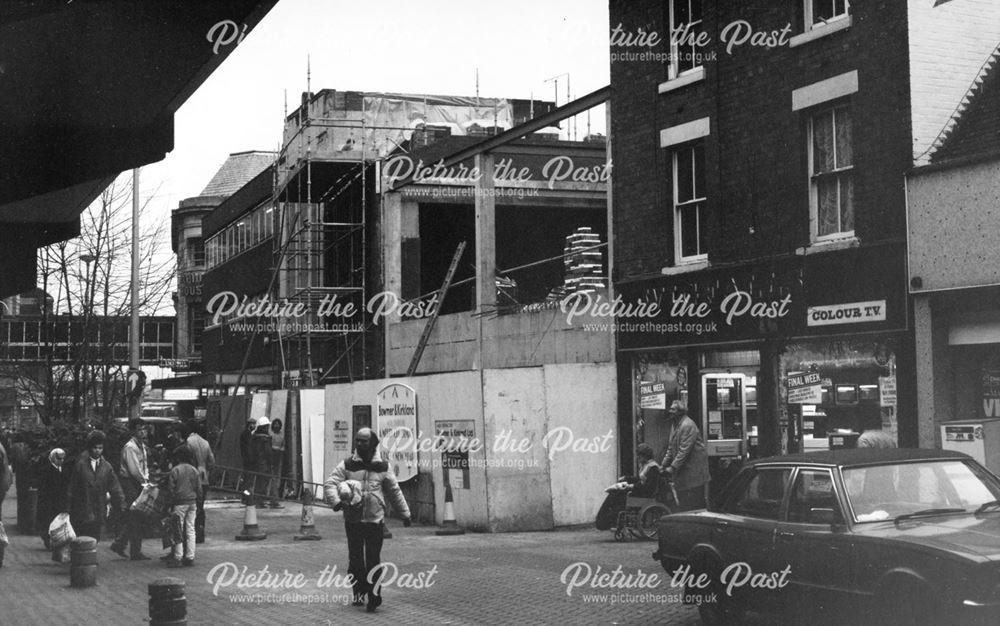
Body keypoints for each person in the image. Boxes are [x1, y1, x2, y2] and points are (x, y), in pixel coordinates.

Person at [323, 428, 411, 613]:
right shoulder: (347, 464)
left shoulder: (383, 467)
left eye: (364, 441)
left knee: (373, 560)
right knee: (355, 561)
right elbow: (330, 483)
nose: (360, 444)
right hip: (353, 521)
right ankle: (358, 592)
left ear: (373, 444)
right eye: (358, 440)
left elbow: (394, 492)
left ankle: (374, 596)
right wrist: (337, 502)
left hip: (375, 521)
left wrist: (405, 514)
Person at [66, 430, 125, 542]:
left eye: (100, 448)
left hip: (99, 508)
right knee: (81, 539)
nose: (97, 451)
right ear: (90, 448)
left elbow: (115, 487)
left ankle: (91, 558)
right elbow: (72, 487)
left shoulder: (107, 467)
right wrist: (68, 508)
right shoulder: (80, 465)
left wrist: (121, 504)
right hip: (82, 508)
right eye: (95, 448)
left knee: (94, 539)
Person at [110, 418, 151, 560]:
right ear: (133, 431)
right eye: (139, 429)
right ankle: (132, 549)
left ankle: (120, 543)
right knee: (135, 515)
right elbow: (134, 470)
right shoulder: (130, 447)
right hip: (130, 483)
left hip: (138, 483)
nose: (143, 432)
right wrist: (145, 482)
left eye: (144, 429)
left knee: (134, 516)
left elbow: (144, 466)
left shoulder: (142, 446)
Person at [660, 400, 710, 511]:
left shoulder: (687, 425)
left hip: (694, 471)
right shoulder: (675, 426)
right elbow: (670, 448)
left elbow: (684, 450)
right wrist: (663, 465)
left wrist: (672, 468)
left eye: (673, 409)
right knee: (684, 499)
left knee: (695, 500)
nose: (670, 411)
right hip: (685, 471)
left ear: (680, 412)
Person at [164, 444, 201, 568]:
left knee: (177, 530)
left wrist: (169, 503)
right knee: (190, 529)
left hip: (179, 503)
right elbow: (199, 488)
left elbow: (171, 489)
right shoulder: (194, 470)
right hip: (192, 502)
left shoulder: (175, 470)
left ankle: (177, 557)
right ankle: (190, 556)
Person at [185, 421, 215, 543]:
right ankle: (200, 533)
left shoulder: (188, 441)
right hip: (204, 478)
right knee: (200, 506)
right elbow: (212, 462)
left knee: (191, 507)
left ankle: (191, 533)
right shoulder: (206, 443)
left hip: (191, 477)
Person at [35, 448, 70, 549]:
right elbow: (43, 487)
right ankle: (48, 540)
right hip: (48, 501)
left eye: (63, 459)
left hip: (59, 500)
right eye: (59, 459)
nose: (61, 461)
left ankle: (56, 540)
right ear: (53, 458)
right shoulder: (46, 470)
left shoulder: (64, 469)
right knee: (48, 520)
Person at [269, 419, 286, 499]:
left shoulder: (281, 435)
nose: (277, 426)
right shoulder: (270, 434)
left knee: (276, 476)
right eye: (275, 424)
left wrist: (280, 450)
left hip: (278, 455)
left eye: (278, 424)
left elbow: (283, 445)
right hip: (271, 454)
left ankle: (274, 495)